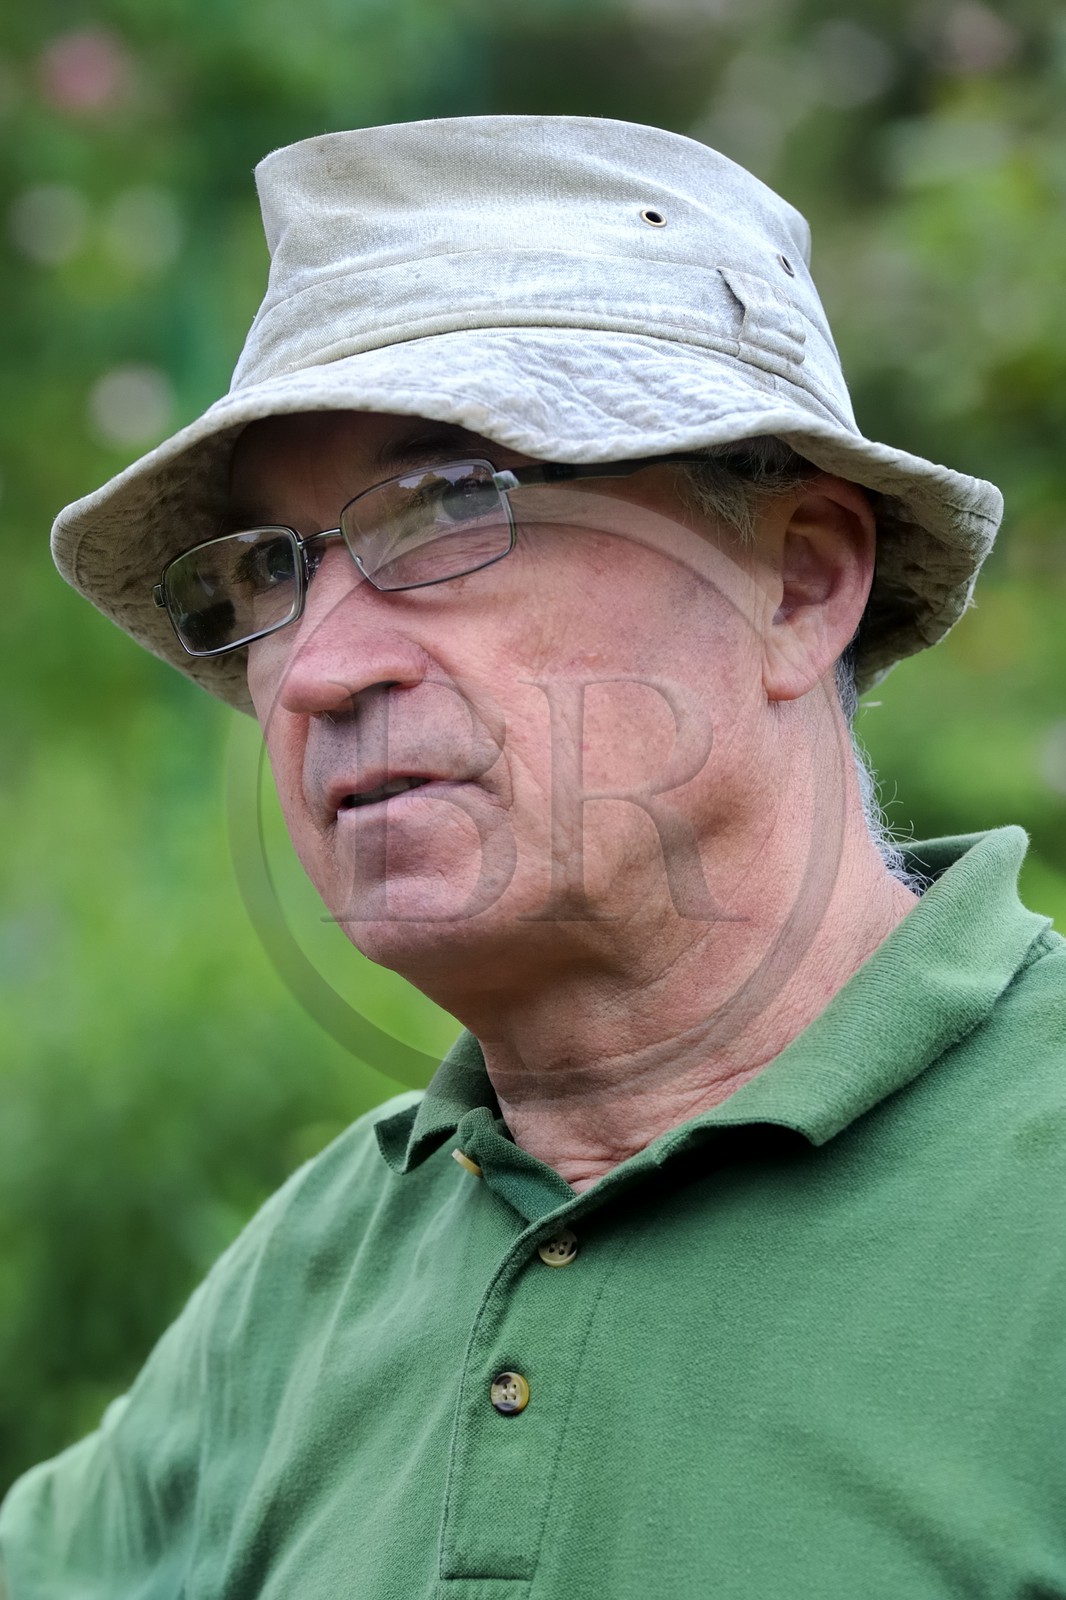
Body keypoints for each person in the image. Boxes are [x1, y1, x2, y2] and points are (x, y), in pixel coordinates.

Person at [2, 114, 1064, 1599]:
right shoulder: (315, 1275)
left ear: (795, 579)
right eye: (271, 572)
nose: (311, 673)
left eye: (446, 507)